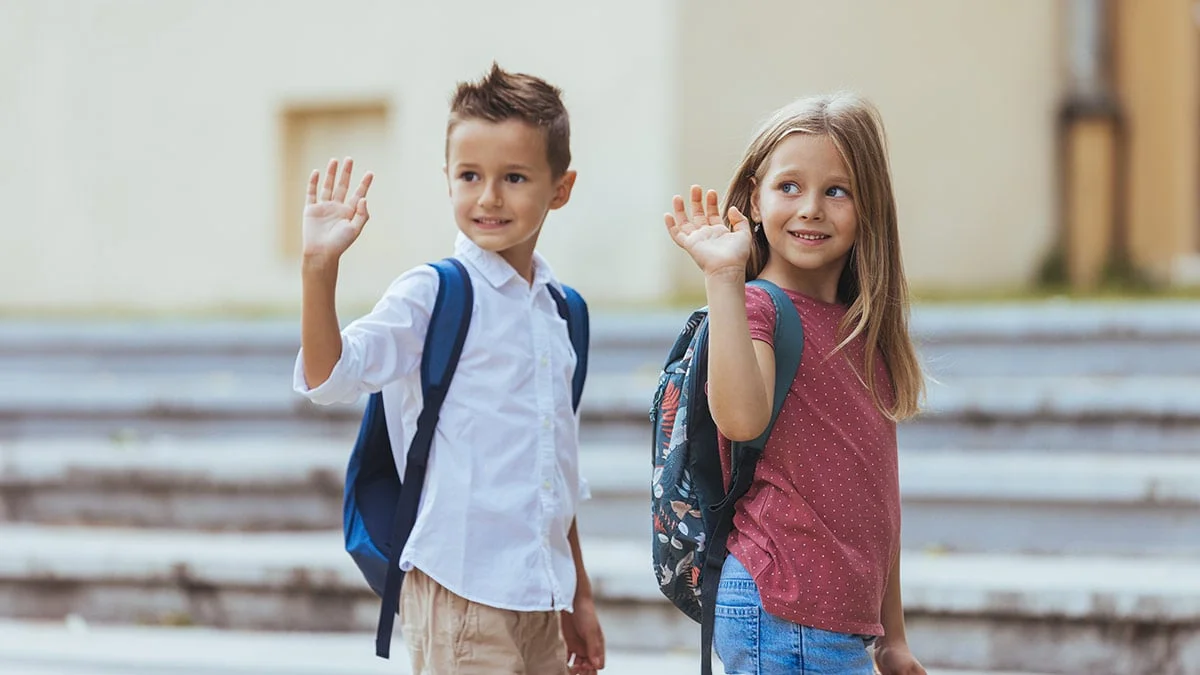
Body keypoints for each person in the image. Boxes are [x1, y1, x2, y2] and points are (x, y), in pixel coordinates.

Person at [293, 63, 605, 675]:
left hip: (541, 597)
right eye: (470, 176)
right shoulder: (432, 293)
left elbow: (555, 474)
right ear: (448, 179)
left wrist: (579, 597)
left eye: (514, 177)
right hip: (458, 590)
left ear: (560, 189)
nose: (488, 197)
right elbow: (331, 377)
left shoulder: (562, 311)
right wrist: (318, 268)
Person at [664, 93, 927, 675]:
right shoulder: (757, 307)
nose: (810, 208)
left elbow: (879, 503)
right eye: (789, 187)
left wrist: (892, 636)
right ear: (754, 200)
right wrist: (725, 278)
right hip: (783, 609)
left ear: (870, 209)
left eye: (837, 190)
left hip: (834, 625)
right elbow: (740, 418)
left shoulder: (863, 330)